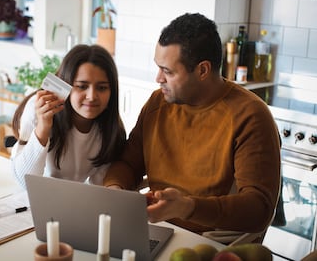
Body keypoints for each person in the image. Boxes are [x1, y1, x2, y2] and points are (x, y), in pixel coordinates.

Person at [103, 13, 281, 237]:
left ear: (203, 70)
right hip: (154, 230)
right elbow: (128, 163)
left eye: (167, 71)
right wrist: (115, 190)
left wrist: (187, 207)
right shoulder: (158, 104)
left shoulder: (250, 116)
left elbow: (258, 209)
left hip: (210, 242)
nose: (158, 78)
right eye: (159, 68)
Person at [11, 44, 126, 188]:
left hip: (71, 199)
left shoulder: (110, 130)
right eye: (82, 86)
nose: (91, 97)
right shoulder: (37, 110)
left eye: (102, 88)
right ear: (67, 85)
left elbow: (100, 186)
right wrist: (43, 127)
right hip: (30, 199)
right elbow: (24, 181)